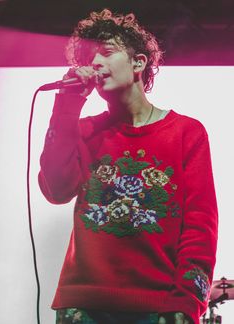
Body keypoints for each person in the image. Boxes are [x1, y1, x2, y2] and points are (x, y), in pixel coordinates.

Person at [38, 9, 218, 324]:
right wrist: (66, 105)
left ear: (138, 62)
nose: (94, 64)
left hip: (158, 307)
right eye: (88, 59)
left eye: (106, 53)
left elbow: (200, 227)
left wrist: (187, 304)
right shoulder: (84, 130)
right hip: (83, 306)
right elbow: (56, 189)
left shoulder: (187, 133)